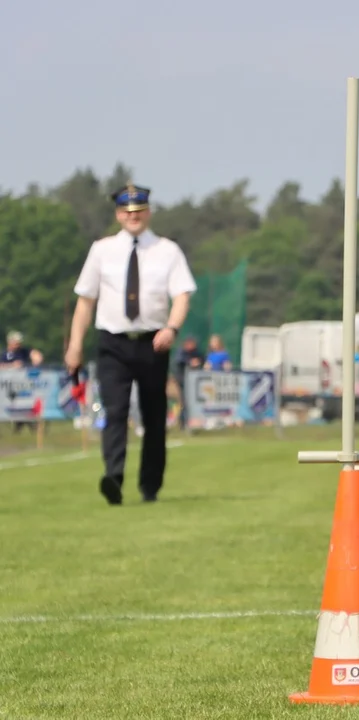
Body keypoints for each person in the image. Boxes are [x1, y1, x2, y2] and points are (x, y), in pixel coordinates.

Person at [66, 182, 197, 504]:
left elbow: (182, 295)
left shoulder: (168, 251)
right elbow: (86, 301)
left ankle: (149, 486)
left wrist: (172, 328)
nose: (132, 216)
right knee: (115, 411)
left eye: (138, 211)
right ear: (118, 214)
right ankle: (113, 478)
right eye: (126, 211)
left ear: (148, 212)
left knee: (154, 416)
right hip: (113, 341)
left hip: (154, 342)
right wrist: (75, 344)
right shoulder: (102, 250)